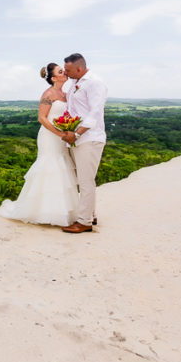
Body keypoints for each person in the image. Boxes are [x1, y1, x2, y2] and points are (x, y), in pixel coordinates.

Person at [0, 63, 78, 226]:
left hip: (62, 136)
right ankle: (42, 211)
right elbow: (42, 118)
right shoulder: (48, 93)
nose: (65, 73)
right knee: (50, 166)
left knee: (62, 166)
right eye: (61, 72)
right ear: (54, 78)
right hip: (50, 136)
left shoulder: (65, 94)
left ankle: (61, 210)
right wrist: (61, 133)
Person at [60, 53, 108, 233]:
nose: (65, 72)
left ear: (79, 68)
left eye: (68, 69)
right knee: (82, 179)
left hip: (89, 138)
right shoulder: (74, 83)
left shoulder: (95, 83)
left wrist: (77, 133)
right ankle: (91, 214)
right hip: (77, 138)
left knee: (86, 180)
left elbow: (94, 113)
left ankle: (84, 222)